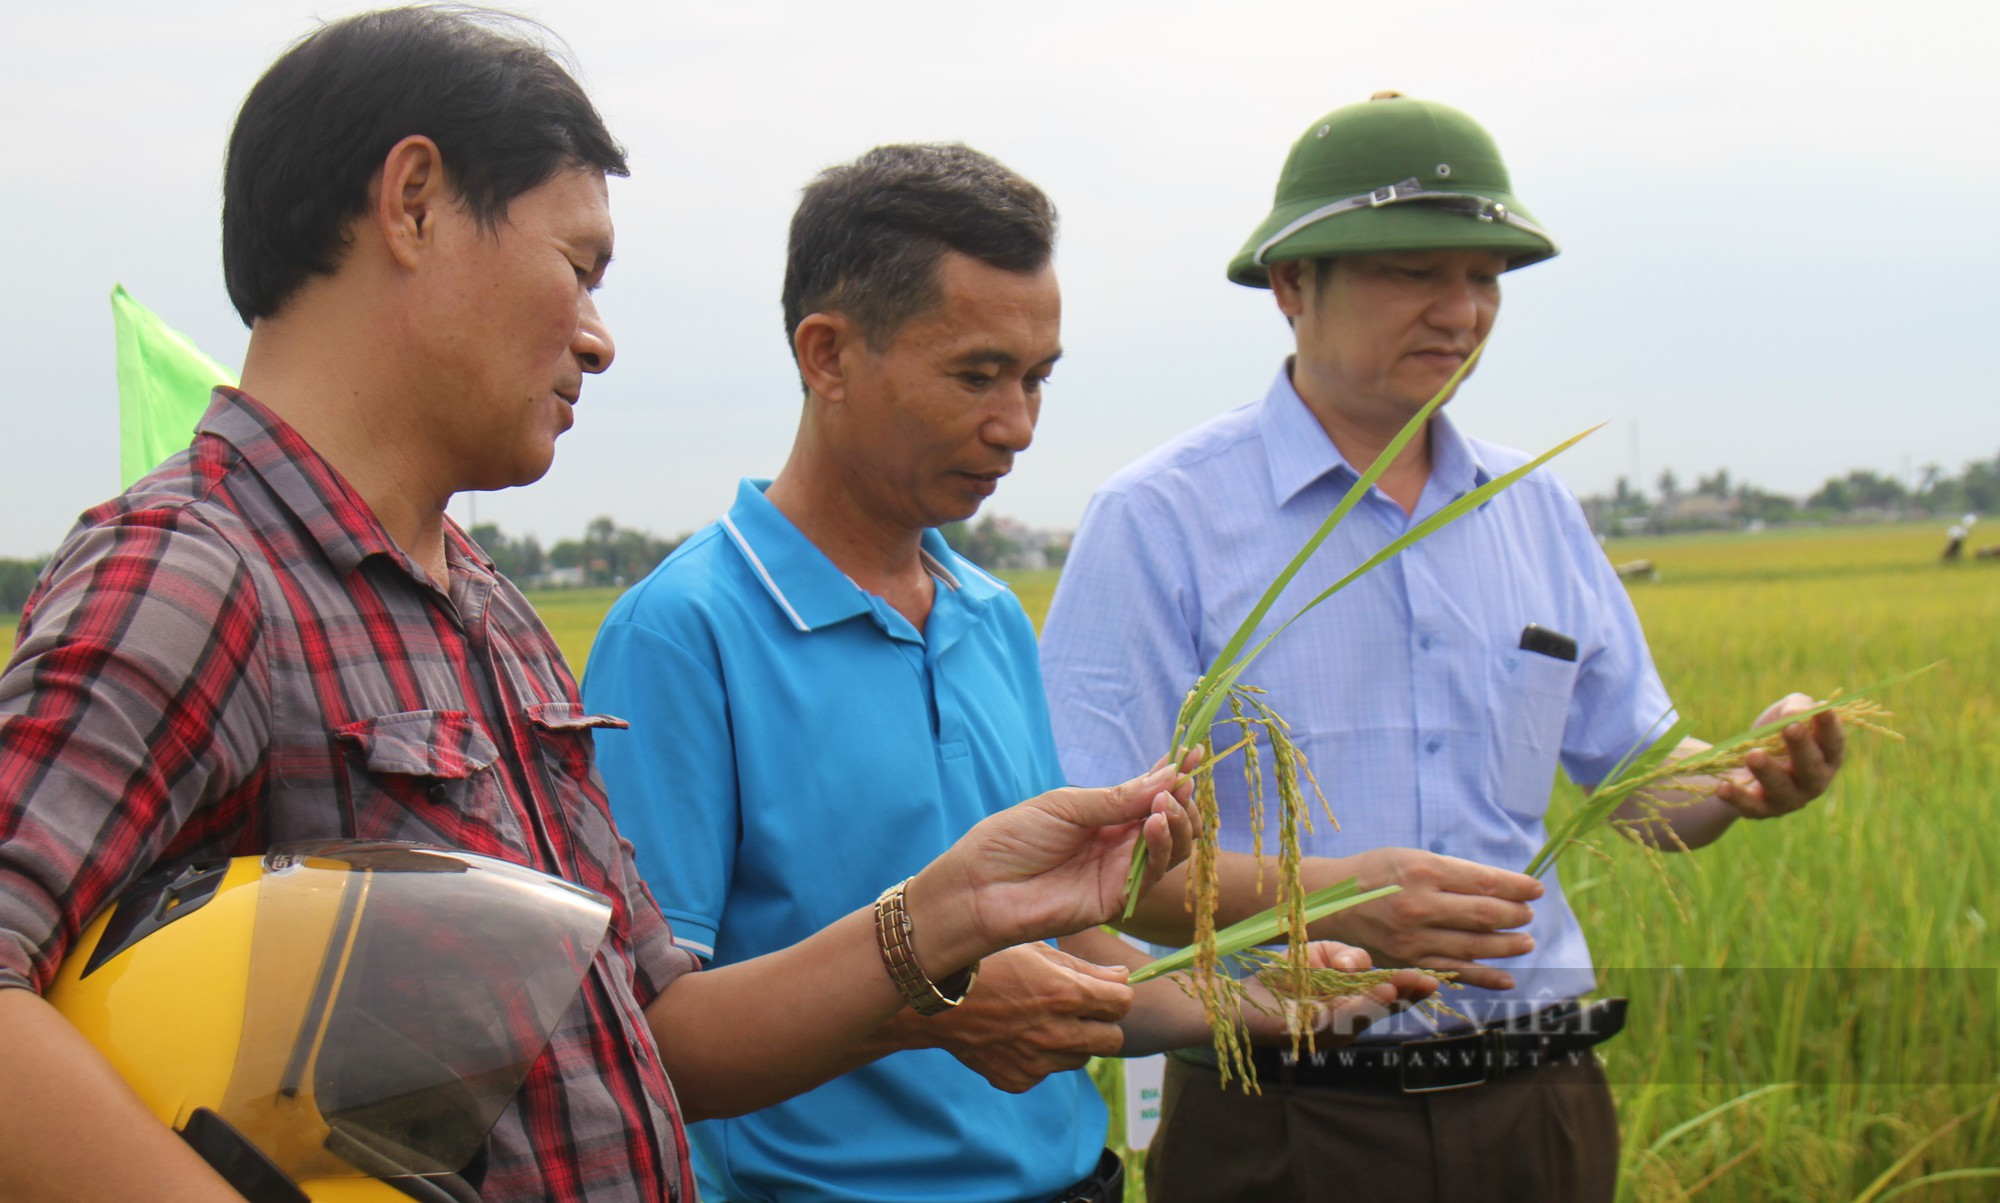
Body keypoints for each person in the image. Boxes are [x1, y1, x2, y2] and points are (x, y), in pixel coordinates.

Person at [0, 13, 1204, 1203]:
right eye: (576, 267)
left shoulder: (488, 616)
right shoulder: (199, 569)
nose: (598, 337)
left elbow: (655, 1030)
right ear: (412, 202)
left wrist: (944, 916)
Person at [583, 143, 1433, 1203]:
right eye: (975, 375)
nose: (1017, 426)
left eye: (1035, 380)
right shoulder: (682, 633)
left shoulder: (987, 618)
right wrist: (928, 1001)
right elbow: (644, 1036)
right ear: (827, 355)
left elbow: (1067, 947)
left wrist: (1235, 997)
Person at [1038, 93, 1846, 1201]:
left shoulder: (1531, 510)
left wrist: (1744, 775)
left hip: (1539, 1099)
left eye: (1482, 278)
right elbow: (1094, 865)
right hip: (1288, 1118)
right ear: (1290, 285)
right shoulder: (1161, 520)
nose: (1459, 310)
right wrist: (1331, 897)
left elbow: (1635, 792)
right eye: (1412, 272)